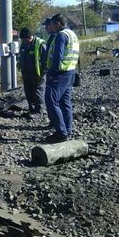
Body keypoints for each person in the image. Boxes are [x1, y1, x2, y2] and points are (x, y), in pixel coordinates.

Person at [43, 14, 79, 143]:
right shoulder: (72, 34)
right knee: (65, 102)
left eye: (52, 24)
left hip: (60, 73)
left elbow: (58, 55)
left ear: (58, 23)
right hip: (70, 72)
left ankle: (61, 132)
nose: (50, 26)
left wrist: (52, 72)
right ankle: (68, 130)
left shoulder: (61, 35)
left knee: (51, 100)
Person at [18, 27, 47, 118]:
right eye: (23, 39)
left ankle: (40, 111)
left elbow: (46, 60)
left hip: (38, 74)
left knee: (38, 92)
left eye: (26, 39)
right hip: (27, 74)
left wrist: (43, 73)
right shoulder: (23, 45)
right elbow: (21, 57)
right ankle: (32, 110)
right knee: (28, 91)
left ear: (31, 36)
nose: (25, 41)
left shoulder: (40, 44)